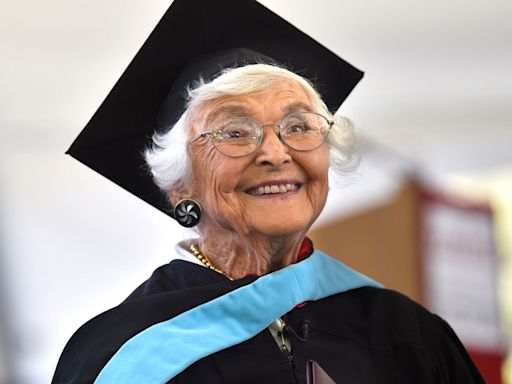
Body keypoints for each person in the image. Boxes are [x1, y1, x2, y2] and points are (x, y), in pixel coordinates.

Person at [52, 0, 484, 383]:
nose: (276, 153)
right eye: (235, 132)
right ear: (179, 185)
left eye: (298, 126)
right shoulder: (125, 355)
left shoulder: (408, 335)